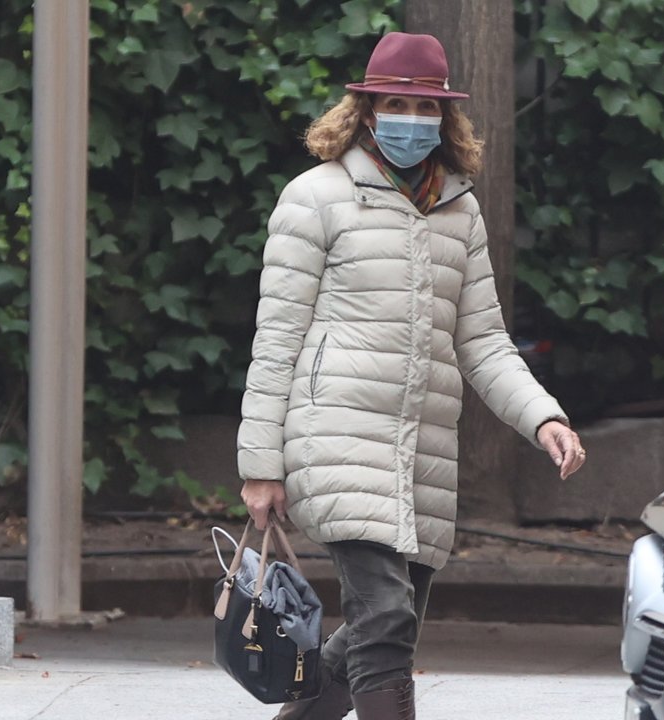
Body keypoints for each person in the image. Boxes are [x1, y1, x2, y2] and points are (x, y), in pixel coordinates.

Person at [236, 31, 586, 720]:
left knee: (381, 630)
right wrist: (260, 463)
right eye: (396, 103)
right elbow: (276, 338)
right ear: (365, 110)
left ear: (445, 118)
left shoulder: (461, 211)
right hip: (335, 438)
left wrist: (543, 416)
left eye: (426, 108)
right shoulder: (315, 198)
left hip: (422, 457)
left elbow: (484, 340)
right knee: (387, 617)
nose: (411, 120)